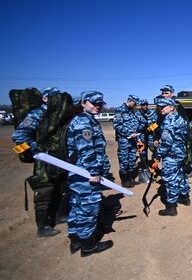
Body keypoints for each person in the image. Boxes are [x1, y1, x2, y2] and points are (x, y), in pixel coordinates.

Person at [66, 91, 113, 256]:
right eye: (94, 103)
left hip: (77, 173)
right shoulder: (83, 123)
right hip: (85, 175)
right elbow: (86, 150)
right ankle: (88, 245)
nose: (98, 106)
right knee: (87, 208)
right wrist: (93, 173)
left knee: (76, 206)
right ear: (83, 102)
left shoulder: (85, 119)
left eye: (100, 104)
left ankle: (76, 240)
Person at [12, 87, 64, 237]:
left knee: (59, 186)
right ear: (45, 99)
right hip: (43, 160)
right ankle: (43, 226)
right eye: (53, 97)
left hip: (57, 159)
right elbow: (19, 136)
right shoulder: (36, 114)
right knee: (44, 191)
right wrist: (38, 150)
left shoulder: (55, 114)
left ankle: (58, 216)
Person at [153, 98, 190, 216]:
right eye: (160, 106)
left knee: (170, 179)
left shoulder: (169, 121)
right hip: (180, 152)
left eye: (164, 107)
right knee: (180, 174)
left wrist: (157, 155)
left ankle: (171, 207)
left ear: (172, 107)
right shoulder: (180, 118)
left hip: (172, 154)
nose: (161, 109)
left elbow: (166, 143)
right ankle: (184, 197)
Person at [113, 95, 140, 188]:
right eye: (134, 103)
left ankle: (130, 179)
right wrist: (129, 133)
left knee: (132, 159)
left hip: (133, 139)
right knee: (124, 160)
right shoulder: (119, 110)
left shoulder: (133, 111)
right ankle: (124, 181)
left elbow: (136, 123)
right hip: (124, 140)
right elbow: (117, 126)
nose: (135, 105)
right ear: (129, 100)